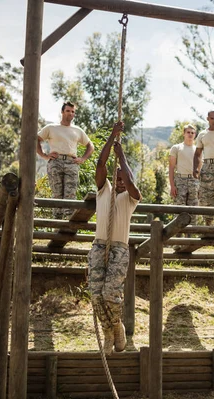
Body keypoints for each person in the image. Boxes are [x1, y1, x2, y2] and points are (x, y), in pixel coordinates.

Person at [87, 121, 141, 355]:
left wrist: (122, 156)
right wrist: (111, 138)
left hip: (119, 248)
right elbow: (100, 164)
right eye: (116, 177)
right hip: (99, 246)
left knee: (110, 294)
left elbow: (131, 184)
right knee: (96, 295)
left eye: (122, 178)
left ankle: (117, 326)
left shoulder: (130, 198)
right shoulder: (104, 191)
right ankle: (109, 331)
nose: (119, 181)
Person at [37, 101, 94, 219]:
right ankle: (57, 226)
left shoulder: (77, 130)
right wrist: (44, 155)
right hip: (55, 162)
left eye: (73, 112)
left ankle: (67, 227)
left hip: (72, 163)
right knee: (57, 194)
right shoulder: (51, 128)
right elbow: (36, 139)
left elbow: (90, 146)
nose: (70, 113)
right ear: (62, 112)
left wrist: (82, 158)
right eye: (68, 111)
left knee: (70, 195)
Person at [169, 124, 201, 224]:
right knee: (179, 211)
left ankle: (190, 238)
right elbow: (171, 167)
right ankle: (177, 238)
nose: (190, 134)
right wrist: (172, 186)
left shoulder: (198, 150)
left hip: (193, 181)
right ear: (184, 133)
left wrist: (200, 186)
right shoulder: (176, 148)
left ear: (195, 135)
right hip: (180, 180)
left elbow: (200, 170)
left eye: (192, 133)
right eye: (188, 132)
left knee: (193, 211)